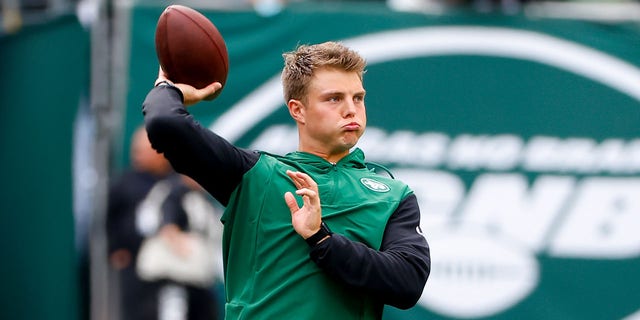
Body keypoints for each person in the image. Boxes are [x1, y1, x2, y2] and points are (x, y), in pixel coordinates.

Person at [142, 41, 430, 319]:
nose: (351, 109)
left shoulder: (393, 195)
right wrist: (166, 89)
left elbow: (408, 283)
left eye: (358, 98)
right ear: (297, 110)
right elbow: (167, 125)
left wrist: (322, 239)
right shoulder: (257, 175)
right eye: (334, 98)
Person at [106, 126, 174, 320]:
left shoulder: (176, 182)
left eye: (144, 150)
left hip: (171, 266)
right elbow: (109, 218)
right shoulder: (124, 183)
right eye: (136, 150)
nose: (138, 156)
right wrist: (115, 248)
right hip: (135, 265)